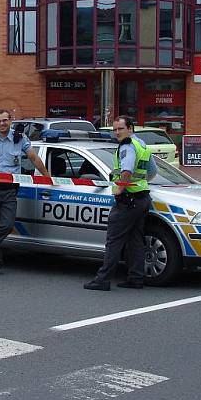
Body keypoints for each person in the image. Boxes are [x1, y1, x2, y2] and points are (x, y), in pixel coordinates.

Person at [0, 109, 50, 276]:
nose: (2, 124)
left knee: (6, 225)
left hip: (9, 190)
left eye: (5, 120)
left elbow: (33, 158)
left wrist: (47, 176)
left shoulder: (19, 138)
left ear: (10, 120)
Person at [84, 115, 157, 291]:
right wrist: (139, 183)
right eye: (114, 129)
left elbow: (126, 170)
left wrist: (120, 189)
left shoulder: (127, 146)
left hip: (128, 201)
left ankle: (103, 279)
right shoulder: (142, 144)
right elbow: (152, 171)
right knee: (135, 240)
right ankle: (136, 278)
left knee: (113, 241)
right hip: (142, 198)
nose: (117, 132)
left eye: (120, 129)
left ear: (130, 128)